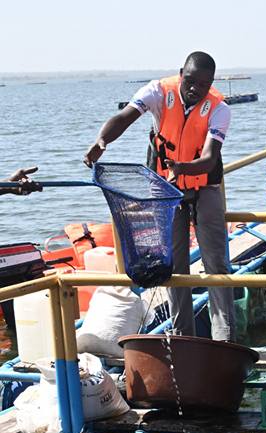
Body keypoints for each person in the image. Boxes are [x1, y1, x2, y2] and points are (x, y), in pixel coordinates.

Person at [83, 51, 235, 341]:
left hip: (204, 185)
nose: (195, 89)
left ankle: (223, 337)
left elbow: (210, 158)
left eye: (203, 84)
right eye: (190, 81)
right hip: (167, 191)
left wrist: (183, 168)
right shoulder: (157, 91)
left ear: (211, 83)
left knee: (216, 262)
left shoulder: (220, 109)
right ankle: (181, 337)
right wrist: (103, 140)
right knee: (174, 265)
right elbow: (124, 117)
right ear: (181, 73)